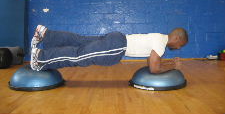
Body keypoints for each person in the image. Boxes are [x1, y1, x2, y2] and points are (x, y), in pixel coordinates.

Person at [30, 25, 188, 73]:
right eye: (180, 45)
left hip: (117, 38)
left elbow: (150, 62)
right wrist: (173, 66)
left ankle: (46, 34)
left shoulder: (159, 36)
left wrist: (168, 64)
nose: (178, 48)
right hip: (117, 47)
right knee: (80, 56)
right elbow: (153, 69)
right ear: (176, 38)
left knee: (80, 41)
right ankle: (41, 57)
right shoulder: (161, 44)